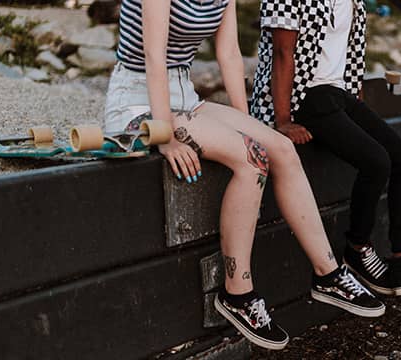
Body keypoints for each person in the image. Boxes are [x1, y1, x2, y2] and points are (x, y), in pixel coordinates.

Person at [105, 0, 385, 351]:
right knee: (252, 160)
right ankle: (237, 292)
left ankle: (329, 274)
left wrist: (247, 122)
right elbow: (154, 58)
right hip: (137, 100)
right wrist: (165, 136)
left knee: (280, 149)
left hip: (185, 96)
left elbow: (231, 55)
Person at [251, 0, 401, 296]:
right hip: (303, 97)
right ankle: (357, 249)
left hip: (338, 95)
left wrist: (360, 114)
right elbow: (282, 52)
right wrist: (283, 121)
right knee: (376, 161)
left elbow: (350, 57)